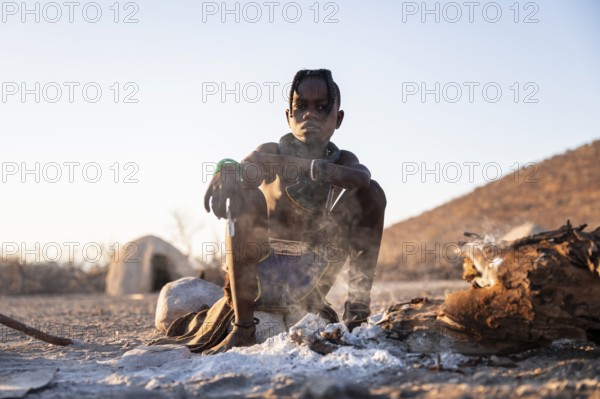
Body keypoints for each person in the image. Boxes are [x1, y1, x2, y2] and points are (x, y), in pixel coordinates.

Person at [152, 69, 386, 354]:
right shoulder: (269, 151)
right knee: (244, 195)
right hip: (260, 285)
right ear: (288, 116)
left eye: (322, 108)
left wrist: (305, 166)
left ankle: (357, 315)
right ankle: (243, 327)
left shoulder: (344, 161)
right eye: (301, 107)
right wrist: (226, 165)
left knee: (373, 194)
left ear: (338, 119)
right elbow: (244, 170)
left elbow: (361, 179)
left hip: (309, 287)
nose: (310, 115)